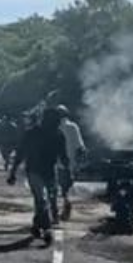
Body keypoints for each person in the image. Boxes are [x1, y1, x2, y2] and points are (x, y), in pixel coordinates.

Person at [8, 107, 70, 243]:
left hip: (50, 172)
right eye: (55, 120)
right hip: (34, 171)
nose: (58, 123)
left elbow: (63, 157)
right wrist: (12, 172)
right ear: (47, 120)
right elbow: (20, 153)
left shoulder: (59, 135)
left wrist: (68, 172)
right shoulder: (32, 134)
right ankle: (47, 229)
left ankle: (37, 225)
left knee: (46, 200)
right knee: (42, 199)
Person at [55, 104, 87, 221]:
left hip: (55, 164)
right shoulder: (73, 127)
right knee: (65, 188)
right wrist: (78, 164)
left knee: (56, 188)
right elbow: (80, 147)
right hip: (69, 164)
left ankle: (60, 211)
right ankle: (64, 209)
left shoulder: (53, 127)